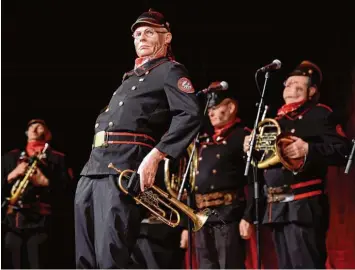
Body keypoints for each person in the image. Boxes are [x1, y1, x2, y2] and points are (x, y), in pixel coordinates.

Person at [74, 8, 202, 269]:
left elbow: (190, 114)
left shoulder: (170, 70)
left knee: (111, 255)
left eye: (149, 32)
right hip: (93, 167)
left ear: (167, 38)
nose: (141, 38)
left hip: (122, 167)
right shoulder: (129, 78)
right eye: (137, 34)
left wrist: (156, 155)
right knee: (84, 258)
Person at [243, 60, 350, 268]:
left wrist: (308, 149)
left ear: (311, 90)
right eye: (287, 83)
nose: (289, 86)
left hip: (303, 206)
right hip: (276, 207)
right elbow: (263, 164)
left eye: (296, 84)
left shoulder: (319, 114)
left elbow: (343, 150)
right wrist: (251, 148)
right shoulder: (276, 120)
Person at [1, 119, 73, 269]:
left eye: (39, 127)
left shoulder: (58, 158)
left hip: (42, 223)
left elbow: (68, 192)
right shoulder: (10, 157)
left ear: (48, 135)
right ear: (26, 133)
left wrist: (45, 182)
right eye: (31, 127)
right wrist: (11, 175)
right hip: (13, 222)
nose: (33, 129)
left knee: (38, 262)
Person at [193, 89, 253, 269]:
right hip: (202, 215)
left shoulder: (242, 135)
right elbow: (192, 184)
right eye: (208, 109)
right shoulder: (203, 140)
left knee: (229, 265)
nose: (210, 113)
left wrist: (249, 216)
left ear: (231, 107)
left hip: (228, 213)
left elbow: (254, 179)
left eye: (215, 107)